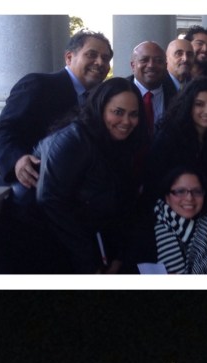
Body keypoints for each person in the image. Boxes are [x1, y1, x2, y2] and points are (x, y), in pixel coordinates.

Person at [28, 77, 147, 273]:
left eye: (133, 114)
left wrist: (117, 257)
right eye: (118, 112)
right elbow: (51, 201)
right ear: (100, 109)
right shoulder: (72, 139)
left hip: (87, 246)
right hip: (39, 245)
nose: (126, 121)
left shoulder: (120, 144)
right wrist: (92, 266)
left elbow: (121, 205)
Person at [0, 29, 113, 189]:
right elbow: (2, 130)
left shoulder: (101, 98)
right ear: (69, 57)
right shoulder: (38, 85)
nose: (100, 62)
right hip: (35, 188)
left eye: (105, 58)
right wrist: (17, 160)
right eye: (91, 55)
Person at [125, 167, 207, 273]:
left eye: (197, 191)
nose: (189, 198)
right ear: (167, 196)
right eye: (180, 191)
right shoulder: (145, 231)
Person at [144, 76, 207, 208]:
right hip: (166, 213)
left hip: (200, 209)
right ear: (188, 105)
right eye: (199, 104)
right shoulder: (168, 138)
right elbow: (153, 184)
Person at [129, 41, 175, 136]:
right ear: (133, 66)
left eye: (158, 61)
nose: (151, 65)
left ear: (166, 66)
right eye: (144, 60)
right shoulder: (117, 93)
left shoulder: (178, 96)